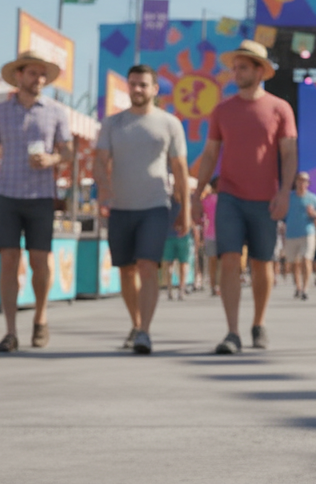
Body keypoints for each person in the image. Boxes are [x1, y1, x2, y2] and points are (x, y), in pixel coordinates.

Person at [192, 40, 297, 355]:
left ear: (259, 71)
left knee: (262, 264)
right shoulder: (222, 109)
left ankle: (258, 323)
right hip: (230, 198)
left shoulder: (280, 108)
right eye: (235, 67)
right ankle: (232, 332)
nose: (236, 72)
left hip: (266, 199)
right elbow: (210, 154)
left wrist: (284, 192)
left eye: (243, 67)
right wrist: (197, 193)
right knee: (228, 260)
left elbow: (289, 153)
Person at [0, 50, 73, 353]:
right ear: (19, 76)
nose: (38, 79)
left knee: (39, 261)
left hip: (41, 196)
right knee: (8, 261)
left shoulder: (56, 111)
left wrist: (53, 158)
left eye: (42, 74)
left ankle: (40, 319)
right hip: (7, 194)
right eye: (33, 73)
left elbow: (69, 153)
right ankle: (10, 331)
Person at [95, 65, 190, 354]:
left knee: (148, 266)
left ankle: (145, 331)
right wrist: (104, 190)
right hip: (121, 208)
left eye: (143, 85)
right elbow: (99, 160)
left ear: (154, 89)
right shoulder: (113, 124)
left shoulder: (170, 123)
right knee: (126, 270)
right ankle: (136, 324)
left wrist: (185, 209)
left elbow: (180, 168)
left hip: (155, 206)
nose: (137, 90)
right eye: (133, 84)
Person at [284, 172, 316, 301]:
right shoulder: (288, 198)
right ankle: (298, 287)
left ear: (308, 183)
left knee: (306, 260)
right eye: (300, 180)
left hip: (308, 233)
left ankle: (305, 289)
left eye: (305, 180)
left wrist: (314, 213)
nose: (302, 183)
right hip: (291, 234)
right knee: (294, 263)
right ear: (295, 182)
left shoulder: (313, 198)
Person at [201, 177, 219, 297]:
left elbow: (200, 217)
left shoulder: (206, 200)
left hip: (209, 234)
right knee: (221, 262)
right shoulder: (224, 200)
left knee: (212, 262)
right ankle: (217, 286)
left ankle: (214, 286)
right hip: (220, 234)